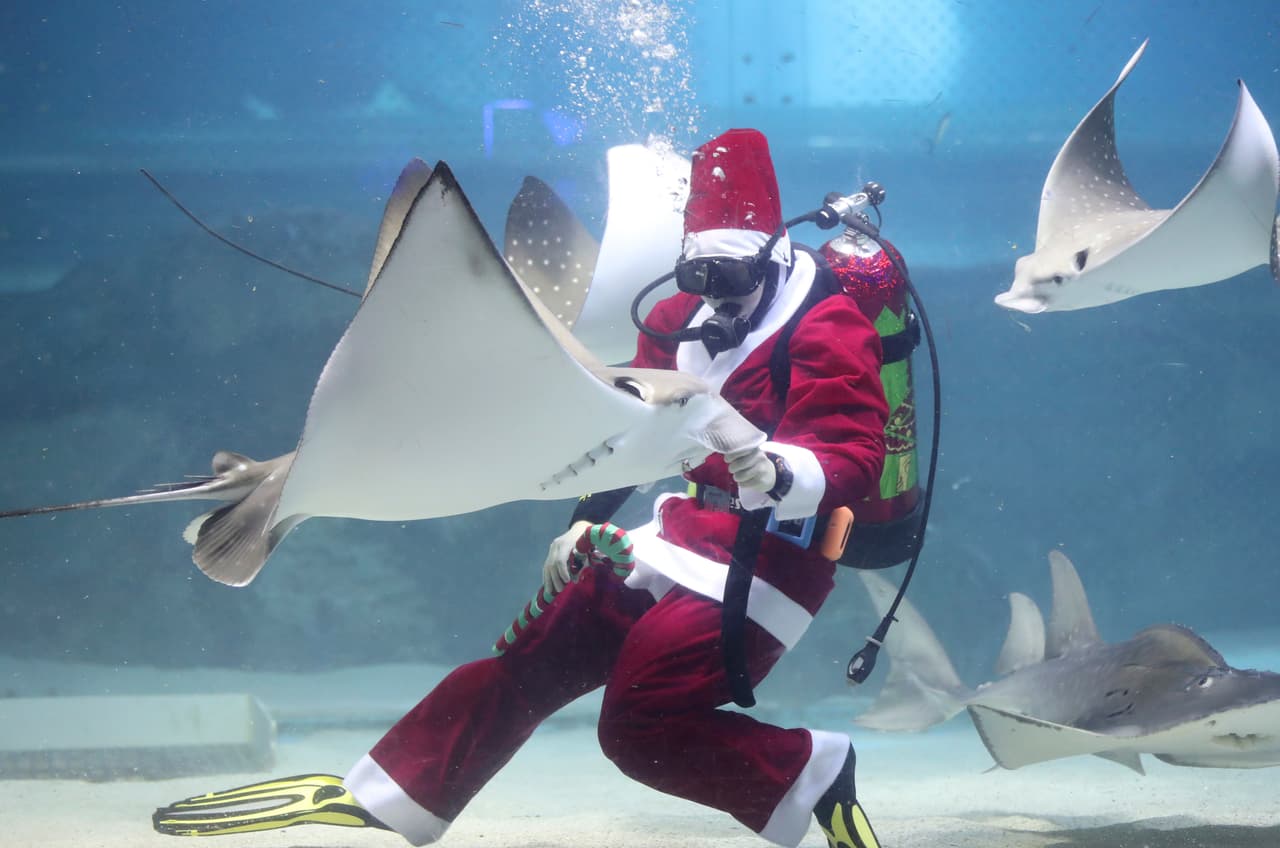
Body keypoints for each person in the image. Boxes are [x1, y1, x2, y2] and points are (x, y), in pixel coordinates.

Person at [153, 128, 890, 848]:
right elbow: (629, 430)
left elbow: (857, 456)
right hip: (679, 533)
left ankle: (810, 772)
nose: (715, 300)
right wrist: (582, 518)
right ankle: (389, 795)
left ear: (770, 251)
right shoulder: (675, 316)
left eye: (728, 278)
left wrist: (780, 469)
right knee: (529, 660)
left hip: (772, 561)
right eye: (700, 275)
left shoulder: (828, 326)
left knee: (641, 725)